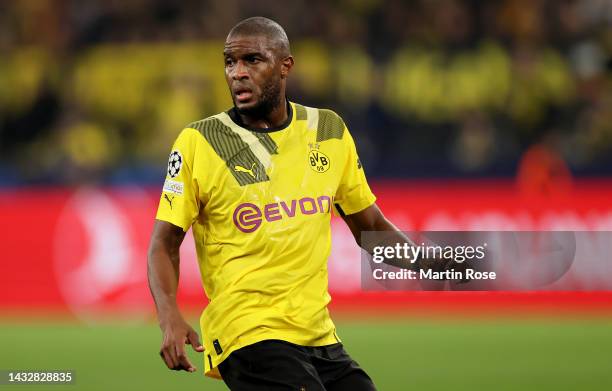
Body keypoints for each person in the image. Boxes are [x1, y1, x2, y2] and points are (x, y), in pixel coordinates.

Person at [148, 16, 406, 391]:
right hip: (246, 334)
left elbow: (371, 229)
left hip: (318, 336)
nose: (237, 73)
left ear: (285, 66)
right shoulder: (199, 142)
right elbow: (163, 242)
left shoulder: (328, 131)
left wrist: (437, 263)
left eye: (252, 60)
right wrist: (168, 314)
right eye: (229, 62)